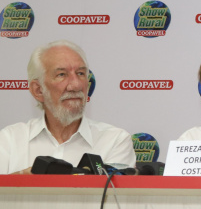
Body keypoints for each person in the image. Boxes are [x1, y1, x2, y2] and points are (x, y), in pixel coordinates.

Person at [0, 40, 136, 174]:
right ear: (38, 90)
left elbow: (115, 189)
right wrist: (20, 178)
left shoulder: (114, 141)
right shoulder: (9, 140)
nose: (76, 85)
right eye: (62, 75)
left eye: (80, 73)